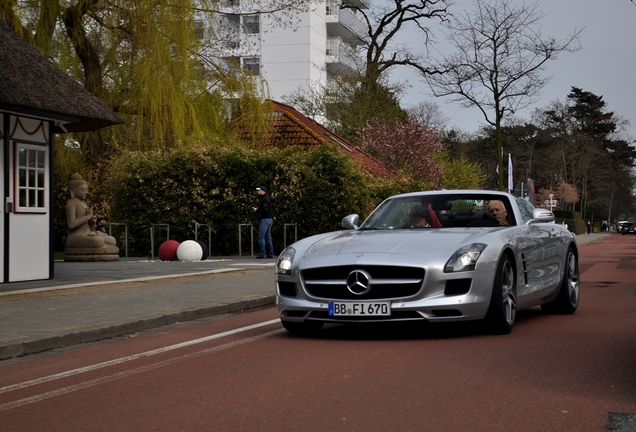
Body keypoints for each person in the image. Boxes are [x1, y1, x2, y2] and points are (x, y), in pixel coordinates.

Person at [65, 173, 119, 261]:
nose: (86, 192)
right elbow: (71, 225)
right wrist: (87, 217)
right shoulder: (71, 203)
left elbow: (91, 228)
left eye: (86, 190)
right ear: (72, 190)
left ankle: (104, 245)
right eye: (83, 190)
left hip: (88, 234)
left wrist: (92, 221)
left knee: (112, 240)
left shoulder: (84, 204)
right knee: (98, 241)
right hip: (76, 237)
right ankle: (102, 245)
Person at [252, 186, 274, 259]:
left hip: (265, 219)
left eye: (259, 190)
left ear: (263, 191)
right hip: (269, 219)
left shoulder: (264, 199)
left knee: (261, 237)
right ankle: (270, 253)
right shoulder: (266, 199)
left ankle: (262, 254)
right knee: (267, 237)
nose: (258, 192)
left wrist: (257, 210)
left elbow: (265, 210)